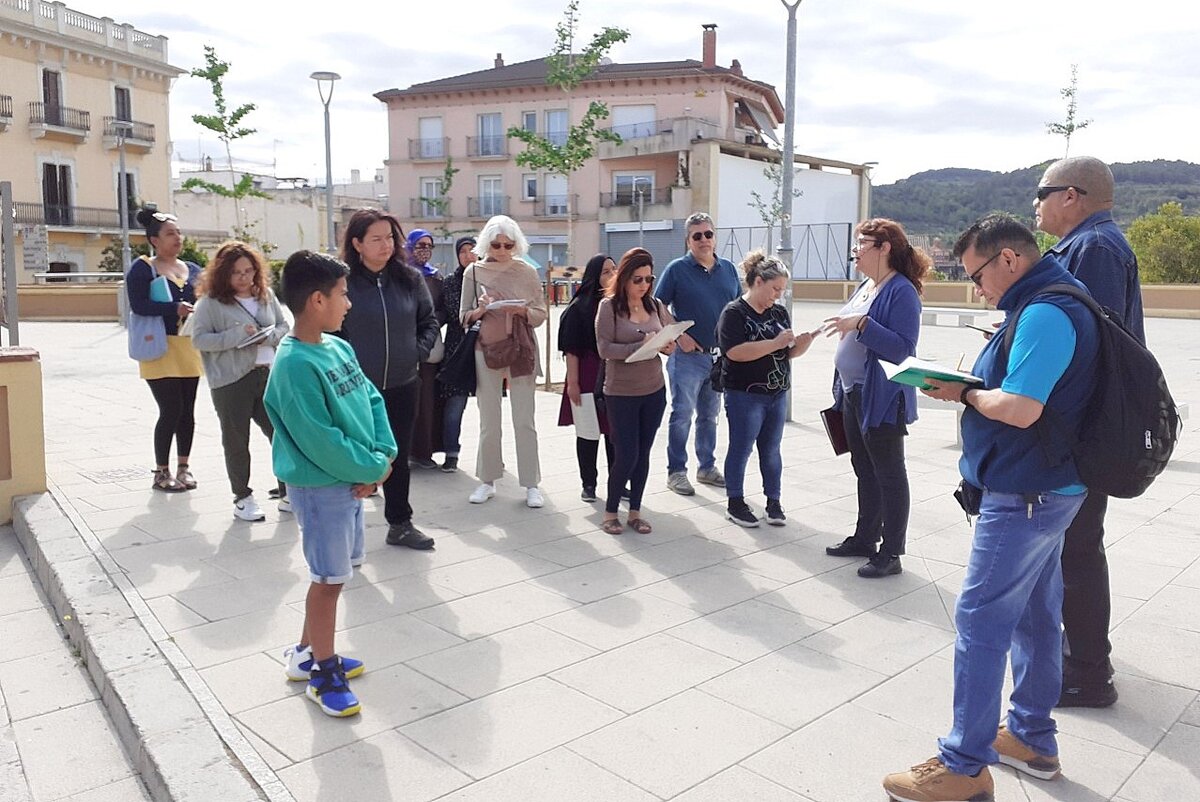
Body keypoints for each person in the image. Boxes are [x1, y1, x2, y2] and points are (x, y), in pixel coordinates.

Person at [882, 214, 1099, 802]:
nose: (976, 288)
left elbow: (1022, 409)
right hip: (1047, 488)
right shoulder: (1055, 300)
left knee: (980, 621)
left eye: (977, 275)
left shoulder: (1046, 312)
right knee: (1035, 615)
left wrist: (966, 392)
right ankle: (1030, 737)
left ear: (1009, 259)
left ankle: (964, 765)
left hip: (1026, 493)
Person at [264, 250, 396, 718]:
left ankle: (306, 654)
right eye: (343, 294)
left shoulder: (337, 347)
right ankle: (323, 673)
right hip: (322, 489)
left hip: (351, 481)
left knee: (336, 575)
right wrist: (369, 469)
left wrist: (382, 456)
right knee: (327, 581)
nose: (349, 303)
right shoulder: (294, 364)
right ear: (317, 300)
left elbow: (372, 399)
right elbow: (321, 440)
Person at [1034, 156, 1145, 709]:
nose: (1035, 204)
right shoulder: (1089, 244)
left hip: (1083, 430)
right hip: (1083, 427)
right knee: (1073, 548)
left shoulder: (1094, 248)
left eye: (1041, 193)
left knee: (1076, 550)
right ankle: (1080, 656)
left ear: (1071, 195)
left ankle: (1087, 672)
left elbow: (1092, 345)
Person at [822, 218, 928, 578]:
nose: (855, 252)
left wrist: (862, 325)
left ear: (884, 248)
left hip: (881, 397)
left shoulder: (902, 291)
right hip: (853, 393)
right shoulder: (867, 285)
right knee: (864, 469)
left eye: (861, 245)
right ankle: (865, 538)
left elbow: (903, 349)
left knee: (889, 474)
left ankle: (891, 552)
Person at [340, 209, 438, 550]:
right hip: (354, 388)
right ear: (357, 243)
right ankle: (345, 528)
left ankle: (400, 523)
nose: (386, 245)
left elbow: (429, 322)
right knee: (352, 455)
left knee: (396, 456)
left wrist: (416, 352)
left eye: (390, 238)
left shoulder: (409, 279)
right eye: (376, 239)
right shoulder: (343, 282)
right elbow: (331, 330)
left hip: (403, 383)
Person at [190, 241, 291, 521]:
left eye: (248, 271)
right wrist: (236, 337)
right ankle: (243, 497)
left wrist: (269, 336)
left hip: (267, 373)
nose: (244, 277)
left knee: (281, 434)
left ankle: (288, 492)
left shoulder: (265, 295)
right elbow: (199, 339)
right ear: (223, 273)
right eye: (236, 272)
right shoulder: (210, 303)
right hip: (231, 380)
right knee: (236, 440)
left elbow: (284, 325)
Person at [717, 251, 818, 528]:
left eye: (782, 290)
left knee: (771, 449)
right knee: (741, 448)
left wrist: (803, 344)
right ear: (758, 281)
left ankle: (773, 501)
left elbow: (787, 353)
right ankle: (735, 502)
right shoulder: (734, 312)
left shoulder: (778, 313)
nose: (778, 295)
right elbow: (734, 352)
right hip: (744, 394)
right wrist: (775, 343)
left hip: (776, 393)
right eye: (775, 288)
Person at [458, 215, 547, 508]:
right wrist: (481, 309)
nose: (502, 250)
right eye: (496, 245)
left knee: (524, 420)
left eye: (508, 245)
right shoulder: (473, 271)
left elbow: (540, 313)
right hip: (485, 349)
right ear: (487, 243)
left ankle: (531, 484)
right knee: (489, 419)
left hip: (521, 348)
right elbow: (463, 317)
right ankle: (487, 480)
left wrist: (521, 311)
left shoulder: (527, 271)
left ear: (516, 244)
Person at [654, 212, 741, 496]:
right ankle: (676, 471)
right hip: (687, 358)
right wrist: (678, 335)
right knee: (682, 414)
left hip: (718, 358)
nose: (704, 240)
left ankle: (706, 467)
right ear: (688, 240)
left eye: (708, 234)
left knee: (710, 415)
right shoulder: (676, 270)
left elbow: (738, 307)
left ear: (715, 237)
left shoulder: (728, 269)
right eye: (697, 236)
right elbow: (658, 305)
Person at [595, 248, 677, 535]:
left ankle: (635, 512)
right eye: (638, 279)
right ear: (625, 278)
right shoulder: (608, 307)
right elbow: (604, 348)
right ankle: (610, 512)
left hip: (653, 389)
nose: (644, 285)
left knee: (643, 454)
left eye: (649, 279)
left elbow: (669, 335)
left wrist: (667, 346)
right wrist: (638, 347)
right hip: (621, 392)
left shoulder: (655, 305)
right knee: (626, 454)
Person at [126, 207, 203, 493]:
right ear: (154, 240)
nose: (177, 238)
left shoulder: (193, 269)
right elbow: (138, 305)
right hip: (159, 346)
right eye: (170, 233)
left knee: (187, 411)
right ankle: (161, 471)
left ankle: (184, 467)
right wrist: (174, 308)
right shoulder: (143, 268)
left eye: (179, 233)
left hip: (188, 346)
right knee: (171, 409)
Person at [558, 254, 618, 502]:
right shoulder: (579, 307)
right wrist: (572, 383)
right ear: (595, 276)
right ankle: (589, 484)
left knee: (615, 434)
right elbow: (571, 349)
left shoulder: (619, 304)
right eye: (606, 271)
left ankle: (617, 483)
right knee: (587, 432)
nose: (612, 275)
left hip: (614, 376)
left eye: (614, 269)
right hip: (586, 374)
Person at [405, 228, 446, 471]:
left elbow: (443, 309)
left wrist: (430, 323)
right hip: (402, 347)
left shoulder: (436, 277)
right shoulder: (400, 275)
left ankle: (424, 451)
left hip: (428, 347)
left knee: (427, 401)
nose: (425, 250)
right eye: (420, 245)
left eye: (429, 246)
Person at [437, 236, 476, 472]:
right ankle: (452, 453)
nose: (468, 255)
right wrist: (480, 311)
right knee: (454, 405)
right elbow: (455, 312)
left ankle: (493, 457)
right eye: (463, 251)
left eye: (472, 250)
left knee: (490, 408)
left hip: (486, 348)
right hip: (457, 350)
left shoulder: (489, 277)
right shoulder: (451, 281)